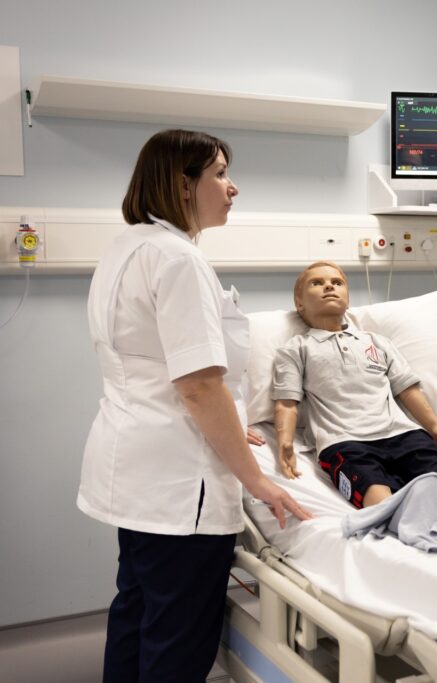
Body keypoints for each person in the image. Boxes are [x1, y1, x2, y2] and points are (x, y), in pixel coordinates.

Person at [78, 129, 312, 682]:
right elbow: (199, 387)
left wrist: (231, 428)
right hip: (179, 486)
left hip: (134, 465)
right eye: (221, 174)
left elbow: (161, 372)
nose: (233, 188)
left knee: (135, 614)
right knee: (177, 640)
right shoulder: (178, 260)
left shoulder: (128, 246)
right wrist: (256, 479)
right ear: (185, 185)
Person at [272, 261, 437, 508]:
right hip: (344, 442)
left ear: (347, 300)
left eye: (337, 283)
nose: (329, 285)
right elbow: (287, 404)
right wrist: (284, 441)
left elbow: (407, 389)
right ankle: (409, 526)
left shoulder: (377, 342)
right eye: (317, 283)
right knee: (380, 502)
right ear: (299, 304)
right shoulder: (296, 349)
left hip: (403, 434)